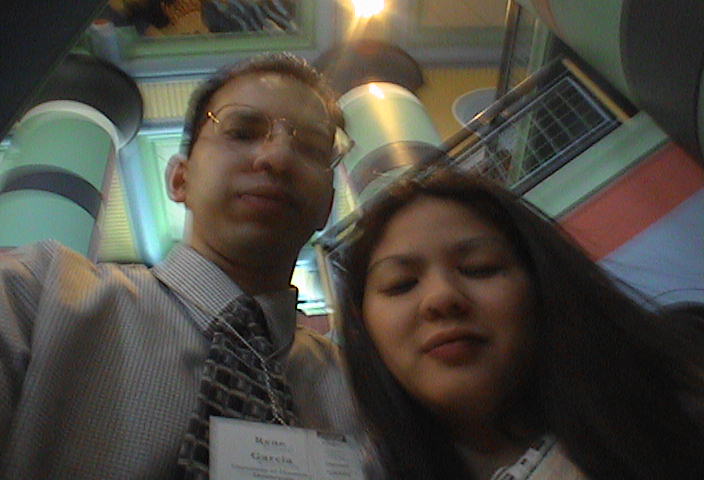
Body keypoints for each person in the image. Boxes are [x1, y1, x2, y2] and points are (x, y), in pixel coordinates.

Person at [0, 52, 357, 479]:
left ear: (327, 207)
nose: (276, 158)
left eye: (311, 146)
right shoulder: (36, 295)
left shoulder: (360, 389)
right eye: (242, 131)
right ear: (179, 179)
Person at [334, 168, 704, 479]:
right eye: (401, 284)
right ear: (363, 325)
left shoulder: (683, 393)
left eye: (479, 268)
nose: (441, 297)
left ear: (541, 282)